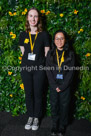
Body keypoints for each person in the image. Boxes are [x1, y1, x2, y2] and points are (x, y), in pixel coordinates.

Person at [19, 7, 50, 131]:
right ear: (27, 18)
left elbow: (46, 54)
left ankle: (36, 117)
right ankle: (30, 116)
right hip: (26, 69)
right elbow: (23, 53)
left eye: (35, 16)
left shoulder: (44, 35)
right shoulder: (23, 35)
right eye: (31, 16)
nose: (33, 18)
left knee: (38, 94)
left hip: (39, 70)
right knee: (29, 93)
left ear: (39, 18)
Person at [46, 30, 75, 136]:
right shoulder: (50, 53)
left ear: (65, 40)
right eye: (57, 38)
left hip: (65, 85)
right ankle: (55, 124)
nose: (59, 41)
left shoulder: (70, 54)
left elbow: (71, 72)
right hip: (53, 84)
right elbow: (48, 70)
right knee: (54, 105)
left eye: (62, 38)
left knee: (64, 105)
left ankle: (62, 125)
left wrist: (63, 86)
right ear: (54, 41)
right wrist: (54, 86)